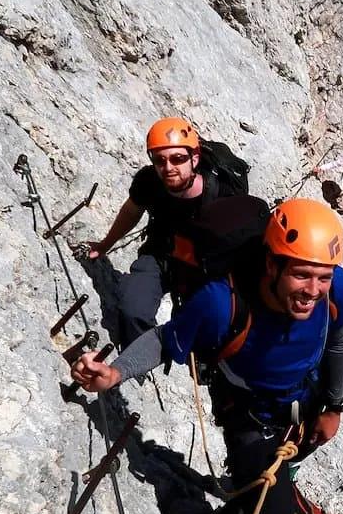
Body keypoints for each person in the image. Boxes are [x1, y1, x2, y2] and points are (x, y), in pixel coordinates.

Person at [71, 198, 343, 514]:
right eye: (301, 275)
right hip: (249, 418)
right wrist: (115, 372)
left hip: (306, 405)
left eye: (323, 277)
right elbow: (165, 339)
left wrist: (334, 406)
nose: (313, 290)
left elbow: (337, 334)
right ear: (272, 264)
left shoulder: (333, 287)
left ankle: (245, 513)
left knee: (285, 466)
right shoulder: (220, 303)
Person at [82, 117, 244, 345]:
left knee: (208, 329)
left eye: (178, 159)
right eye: (160, 160)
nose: (169, 168)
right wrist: (105, 244)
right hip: (160, 255)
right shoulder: (149, 181)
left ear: (194, 158)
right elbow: (131, 210)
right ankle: (136, 366)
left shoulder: (222, 195)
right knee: (132, 310)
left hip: (204, 267)